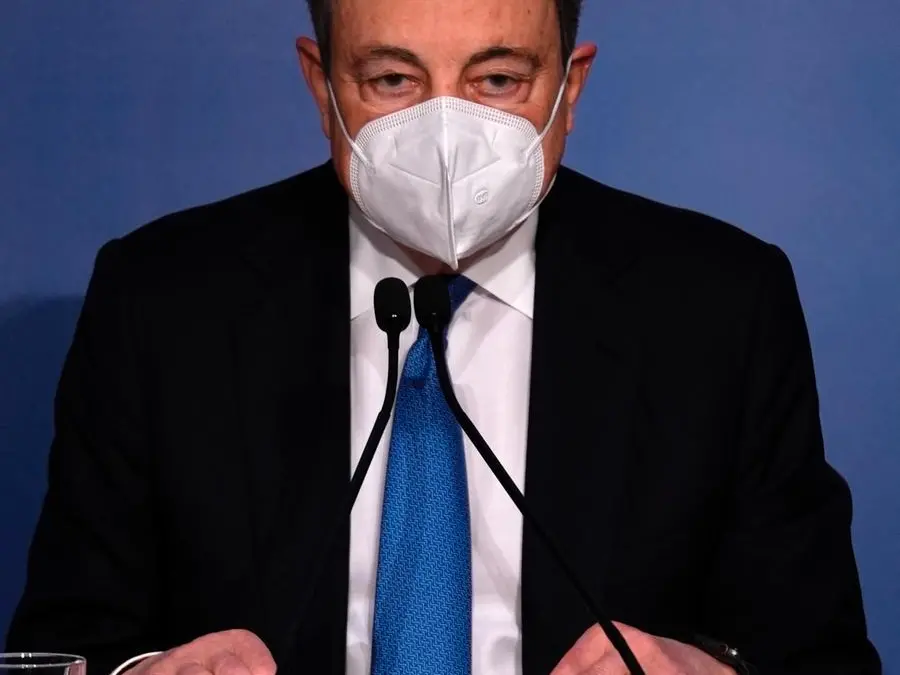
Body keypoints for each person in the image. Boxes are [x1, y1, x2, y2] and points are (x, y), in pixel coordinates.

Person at [5, 0, 882, 673]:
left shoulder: (721, 304)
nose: (447, 134)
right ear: (320, 85)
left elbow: (820, 654)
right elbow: (65, 641)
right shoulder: (162, 298)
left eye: (497, 81)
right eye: (393, 80)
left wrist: (714, 669)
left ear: (570, 88)